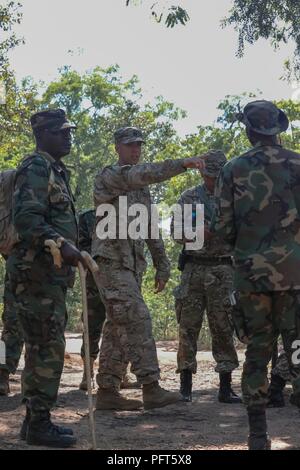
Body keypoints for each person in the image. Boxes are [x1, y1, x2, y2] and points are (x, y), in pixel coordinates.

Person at [92, 126, 205, 410]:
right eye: (130, 145)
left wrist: (162, 264)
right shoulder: (110, 176)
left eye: (138, 145)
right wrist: (183, 164)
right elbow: (143, 173)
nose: (135, 150)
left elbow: (151, 227)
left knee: (118, 324)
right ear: (117, 147)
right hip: (110, 261)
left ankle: (107, 390)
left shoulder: (140, 190)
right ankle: (151, 386)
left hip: (130, 265)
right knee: (137, 316)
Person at [212, 100, 300, 450]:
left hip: (252, 277)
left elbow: (223, 228)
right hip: (296, 275)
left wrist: (248, 248)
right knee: (297, 348)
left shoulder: (233, 169)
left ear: (249, 130)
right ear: (277, 129)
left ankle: (258, 433)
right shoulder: (298, 164)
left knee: (258, 351)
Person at [7, 109, 84, 448]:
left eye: (68, 131)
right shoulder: (36, 167)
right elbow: (27, 219)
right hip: (35, 275)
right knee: (46, 347)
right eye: (61, 132)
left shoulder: (55, 170)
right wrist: (62, 244)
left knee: (45, 345)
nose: (68, 136)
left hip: (48, 277)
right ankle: (38, 423)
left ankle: (34, 422)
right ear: (45, 135)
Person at [171, 150, 240, 403]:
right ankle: (185, 385)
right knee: (187, 327)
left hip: (223, 270)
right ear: (201, 173)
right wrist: (197, 233)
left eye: (218, 176)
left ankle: (225, 386)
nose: (214, 180)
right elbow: (175, 233)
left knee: (223, 327)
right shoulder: (188, 197)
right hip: (193, 270)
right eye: (209, 175)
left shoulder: (233, 198)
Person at [78, 208, 139, 390]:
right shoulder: (87, 217)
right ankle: (86, 375)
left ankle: (120, 373)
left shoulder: (127, 217)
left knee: (122, 324)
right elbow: (82, 248)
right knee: (91, 324)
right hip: (94, 279)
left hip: (121, 280)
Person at [0, 264, 24, 396]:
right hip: (19, 271)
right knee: (11, 325)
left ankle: (40, 384)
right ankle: (2, 373)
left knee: (47, 328)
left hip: (50, 275)